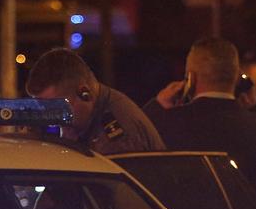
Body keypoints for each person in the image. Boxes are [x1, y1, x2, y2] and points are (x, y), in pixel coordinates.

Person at [153, 37, 256, 209]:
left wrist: (156, 107)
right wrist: (255, 110)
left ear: (190, 80)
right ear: (237, 80)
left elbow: (135, 144)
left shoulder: (168, 126)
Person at [25, 47, 164, 155]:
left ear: (85, 94)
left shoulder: (116, 136)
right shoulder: (86, 120)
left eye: (57, 109)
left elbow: (110, 191)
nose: (52, 119)